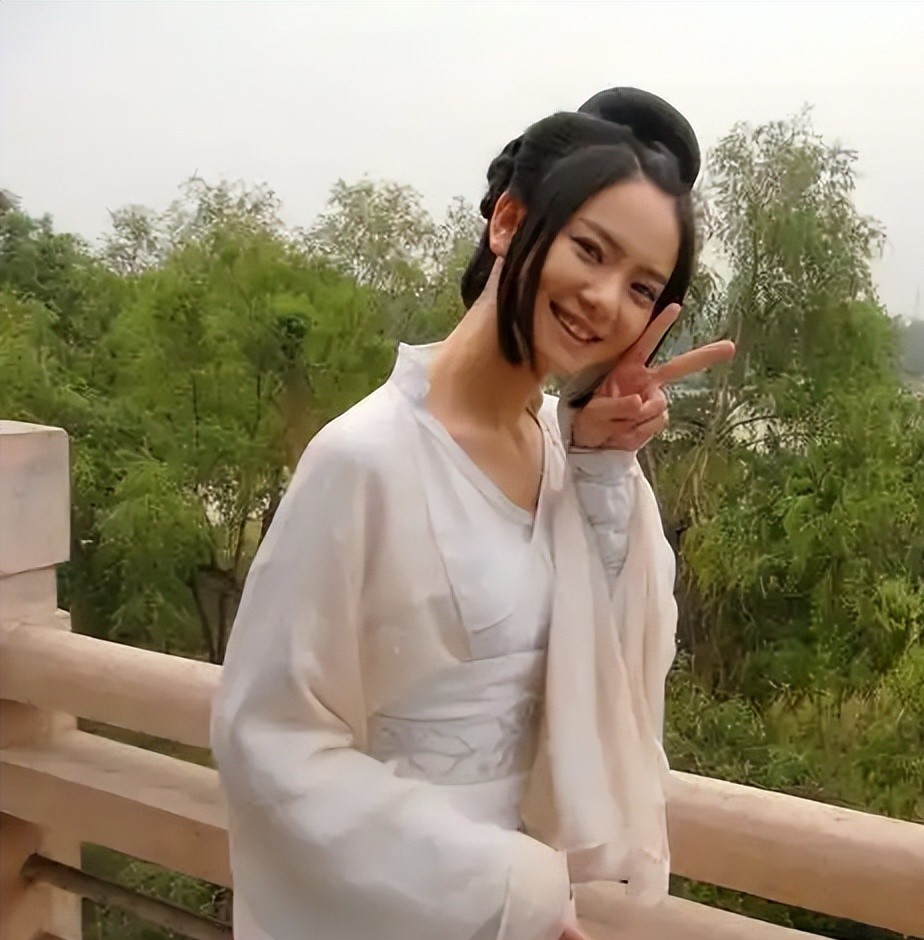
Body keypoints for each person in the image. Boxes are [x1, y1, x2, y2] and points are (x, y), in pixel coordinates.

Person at [210, 87, 735, 940]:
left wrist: (602, 467)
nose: (606, 299)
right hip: (400, 904)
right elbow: (268, 742)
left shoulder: (567, 456)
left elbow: (617, 673)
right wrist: (507, 889)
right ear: (509, 221)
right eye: (590, 251)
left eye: (642, 287)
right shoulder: (365, 458)